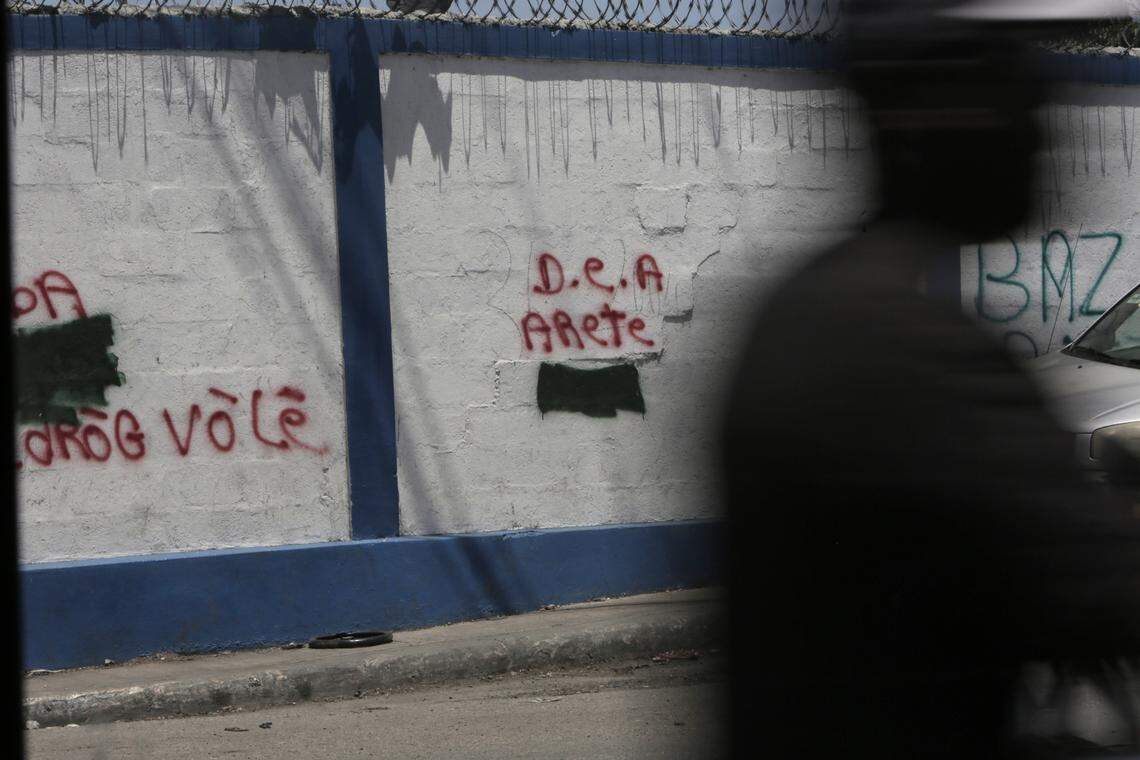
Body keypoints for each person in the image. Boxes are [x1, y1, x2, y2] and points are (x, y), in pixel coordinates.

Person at [720, 2, 1140, 757]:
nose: (1045, 119)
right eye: (1015, 81)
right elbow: (1101, 590)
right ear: (936, 112)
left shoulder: (812, 306)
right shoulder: (915, 352)